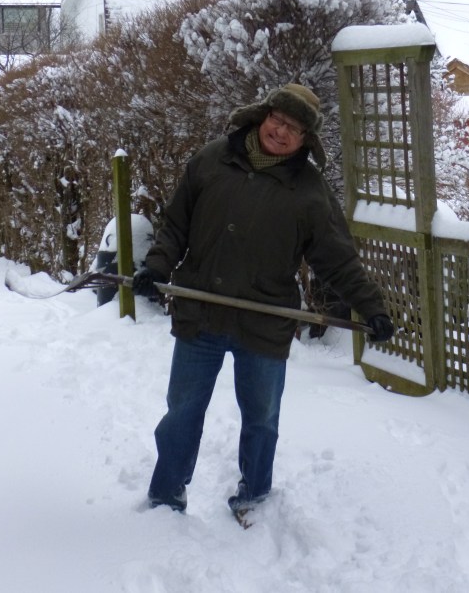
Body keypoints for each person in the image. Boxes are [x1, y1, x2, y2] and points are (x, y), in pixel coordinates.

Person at [132, 83, 394, 518]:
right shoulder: (212, 159)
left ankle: (253, 497)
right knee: (182, 412)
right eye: (278, 119)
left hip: (264, 322)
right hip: (201, 311)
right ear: (263, 115)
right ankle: (165, 496)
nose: (281, 131)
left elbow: (338, 259)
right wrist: (157, 267)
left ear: (305, 139)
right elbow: (177, 224)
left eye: (294, 128)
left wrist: (372, 307)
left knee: (262, 419)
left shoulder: (309, 191)